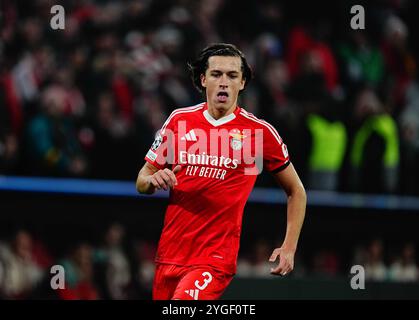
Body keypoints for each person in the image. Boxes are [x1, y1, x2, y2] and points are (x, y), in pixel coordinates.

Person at [136, 43, 306, 300]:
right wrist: (152, 180)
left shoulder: (259, 133)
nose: (224, 82)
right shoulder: (179, 120)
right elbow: (142, 180)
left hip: (214, 259)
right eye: (216, 74)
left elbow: (296, 190)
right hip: (169, 255)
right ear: (203, 79)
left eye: (232, 75)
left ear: (243, 83)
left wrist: (289, 246)